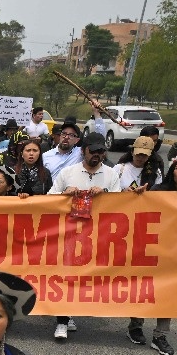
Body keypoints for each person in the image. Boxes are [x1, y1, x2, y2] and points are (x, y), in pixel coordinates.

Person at [47, 132, 122, 342]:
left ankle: (71, 311)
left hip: (97, 235)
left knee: (86, 277)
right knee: (66, 275)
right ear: (83, 151)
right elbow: (48, 200)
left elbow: (122, 205)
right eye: (93, 151)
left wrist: (106, 193)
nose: (98, 155)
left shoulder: (111, 174)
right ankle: (62, 320)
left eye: (101, 151)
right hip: (70, 234)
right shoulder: (67, 173)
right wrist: (65, 195)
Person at [124, 154, 177, 355]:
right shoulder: (156, 191)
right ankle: (135, 326)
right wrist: (138, 196)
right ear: (171, 171)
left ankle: (160, 336)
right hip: (151, 248)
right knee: (143, 288)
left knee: (168, 292)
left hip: (175, 253)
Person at [42, 104, 107, 180]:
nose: (66, 137)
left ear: (77, 140)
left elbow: (99, 138)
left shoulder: (79, 154)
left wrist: (96, 113)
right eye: (64, 133)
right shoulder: (46, 156)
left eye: (71, 135)